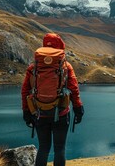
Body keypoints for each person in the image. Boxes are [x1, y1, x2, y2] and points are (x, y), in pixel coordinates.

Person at [21, 33, 84, 166]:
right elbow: (74, 89)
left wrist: (26, 111)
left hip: (39, 113)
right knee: (59, 149)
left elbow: (25, 90)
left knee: (43, 148)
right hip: (61, 113)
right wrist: (78, 108)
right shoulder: (66, 66)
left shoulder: (34, 67)